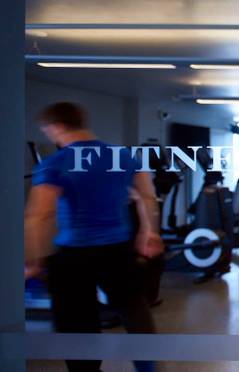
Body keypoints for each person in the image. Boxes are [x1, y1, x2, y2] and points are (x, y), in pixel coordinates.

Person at [24, 102, 164, 372]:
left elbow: (39, 216)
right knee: (134, 308)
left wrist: (34, 260)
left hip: (74, 254)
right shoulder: (122, 156)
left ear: (56, 127)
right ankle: (149, 367)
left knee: (78, 322)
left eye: (48, 130)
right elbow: (146, 195)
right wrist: (149, 231)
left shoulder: (55, 164)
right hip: (117, 249)